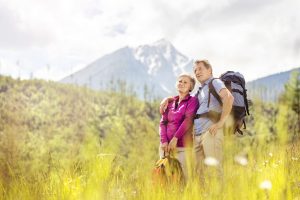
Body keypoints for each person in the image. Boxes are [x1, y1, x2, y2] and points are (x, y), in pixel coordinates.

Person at [160, 60, 234, 180]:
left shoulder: (215, 82)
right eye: (195, 70)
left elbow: (229, 98)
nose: (197, 72)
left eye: (200, 69)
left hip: (211, 132)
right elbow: (185, 97)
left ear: (209, 70)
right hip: (198, 136)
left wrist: (221, 122)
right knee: (199, 173)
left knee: (214, 169)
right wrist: (167, 99)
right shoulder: (200, 91)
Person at [159, 73, 199, 180]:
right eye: (180, 81)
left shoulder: (192, 101)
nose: (181, 83)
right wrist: (164, 141)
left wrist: (175, 138)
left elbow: (188, 120)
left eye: (185, 82)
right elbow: (163, 122)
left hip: (183, 147)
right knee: (165, 178)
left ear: (191, 87)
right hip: (165, 147)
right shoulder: (170, 102)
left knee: (184, 178)